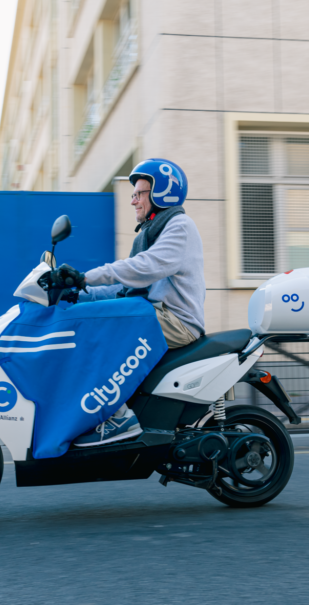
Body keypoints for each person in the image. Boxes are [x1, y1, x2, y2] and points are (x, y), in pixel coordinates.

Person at [56, 158, 206, 446]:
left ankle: (118, 417)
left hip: (178, 321)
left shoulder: (179, 226)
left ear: (162, 193)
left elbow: (144, 267)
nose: (133, 201)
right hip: (155, 314)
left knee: (106, 328)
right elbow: (125, 287)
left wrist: (85, 278)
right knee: (95, 317)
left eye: (139, 193)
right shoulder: (153, 233)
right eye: (133, 194)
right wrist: (75, 294)